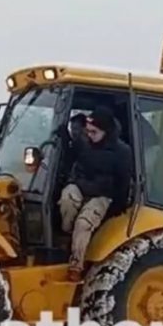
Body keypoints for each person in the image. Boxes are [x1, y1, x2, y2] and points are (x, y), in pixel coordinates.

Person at [57, 105, 134, 280]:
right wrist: (64, 140)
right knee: (67, 199)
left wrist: (117, 207)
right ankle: (67, 237)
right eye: (88, 130)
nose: (89, 135)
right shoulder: (84, 143)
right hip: (81, 187)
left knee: (84, 223)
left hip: (102, 195)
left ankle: (76, 265)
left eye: (94, 132)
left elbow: (123, 182)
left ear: (105, 131)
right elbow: (69, 158)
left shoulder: (122, 152)